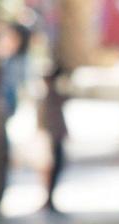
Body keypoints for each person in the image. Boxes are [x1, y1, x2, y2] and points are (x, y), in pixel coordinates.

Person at [39, 66, 69, 214]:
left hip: (55, 137)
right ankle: (48, 199)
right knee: (52, 168)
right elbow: (46, 122)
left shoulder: (52, 96)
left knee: (57, 168)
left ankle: (50, 199)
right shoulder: (49, 98)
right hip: (52, 139)